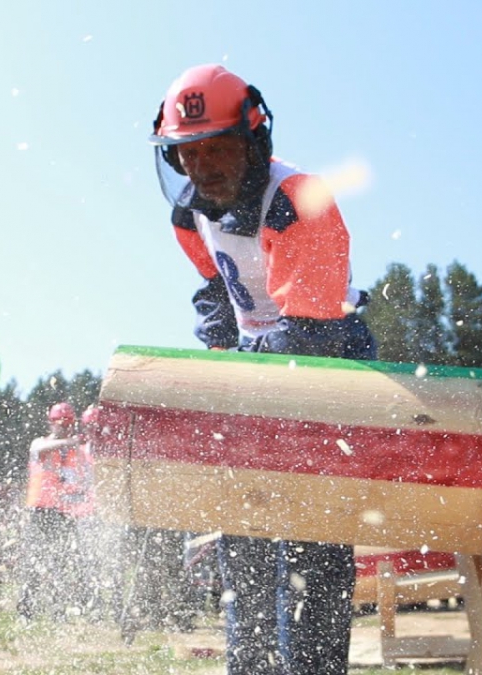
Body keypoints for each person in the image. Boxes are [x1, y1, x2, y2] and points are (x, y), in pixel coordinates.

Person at [149, 64, 376, 674]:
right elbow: (214, 291)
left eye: (219, 148)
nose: (205, 167)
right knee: (242, 537)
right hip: (253, 371)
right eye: (191, 154)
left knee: (311, 543)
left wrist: (236, 374)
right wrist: (218, 358)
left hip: (325, 365)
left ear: (254, 139)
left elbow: (308, 339)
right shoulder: (189, 215)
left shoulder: (300, 202)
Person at [17, 402, 91, 621]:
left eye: (68, 424)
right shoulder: (40, 443)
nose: (65, 428)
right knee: (34, 560)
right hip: (39, 510)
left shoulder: (77, 452)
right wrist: (69, 442)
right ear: (51, 423)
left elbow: (82, 480)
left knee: (60, 561)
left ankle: (58, 610)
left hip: (64, 512)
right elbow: (37, 450)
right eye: (61, 424)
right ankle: (25, 611)